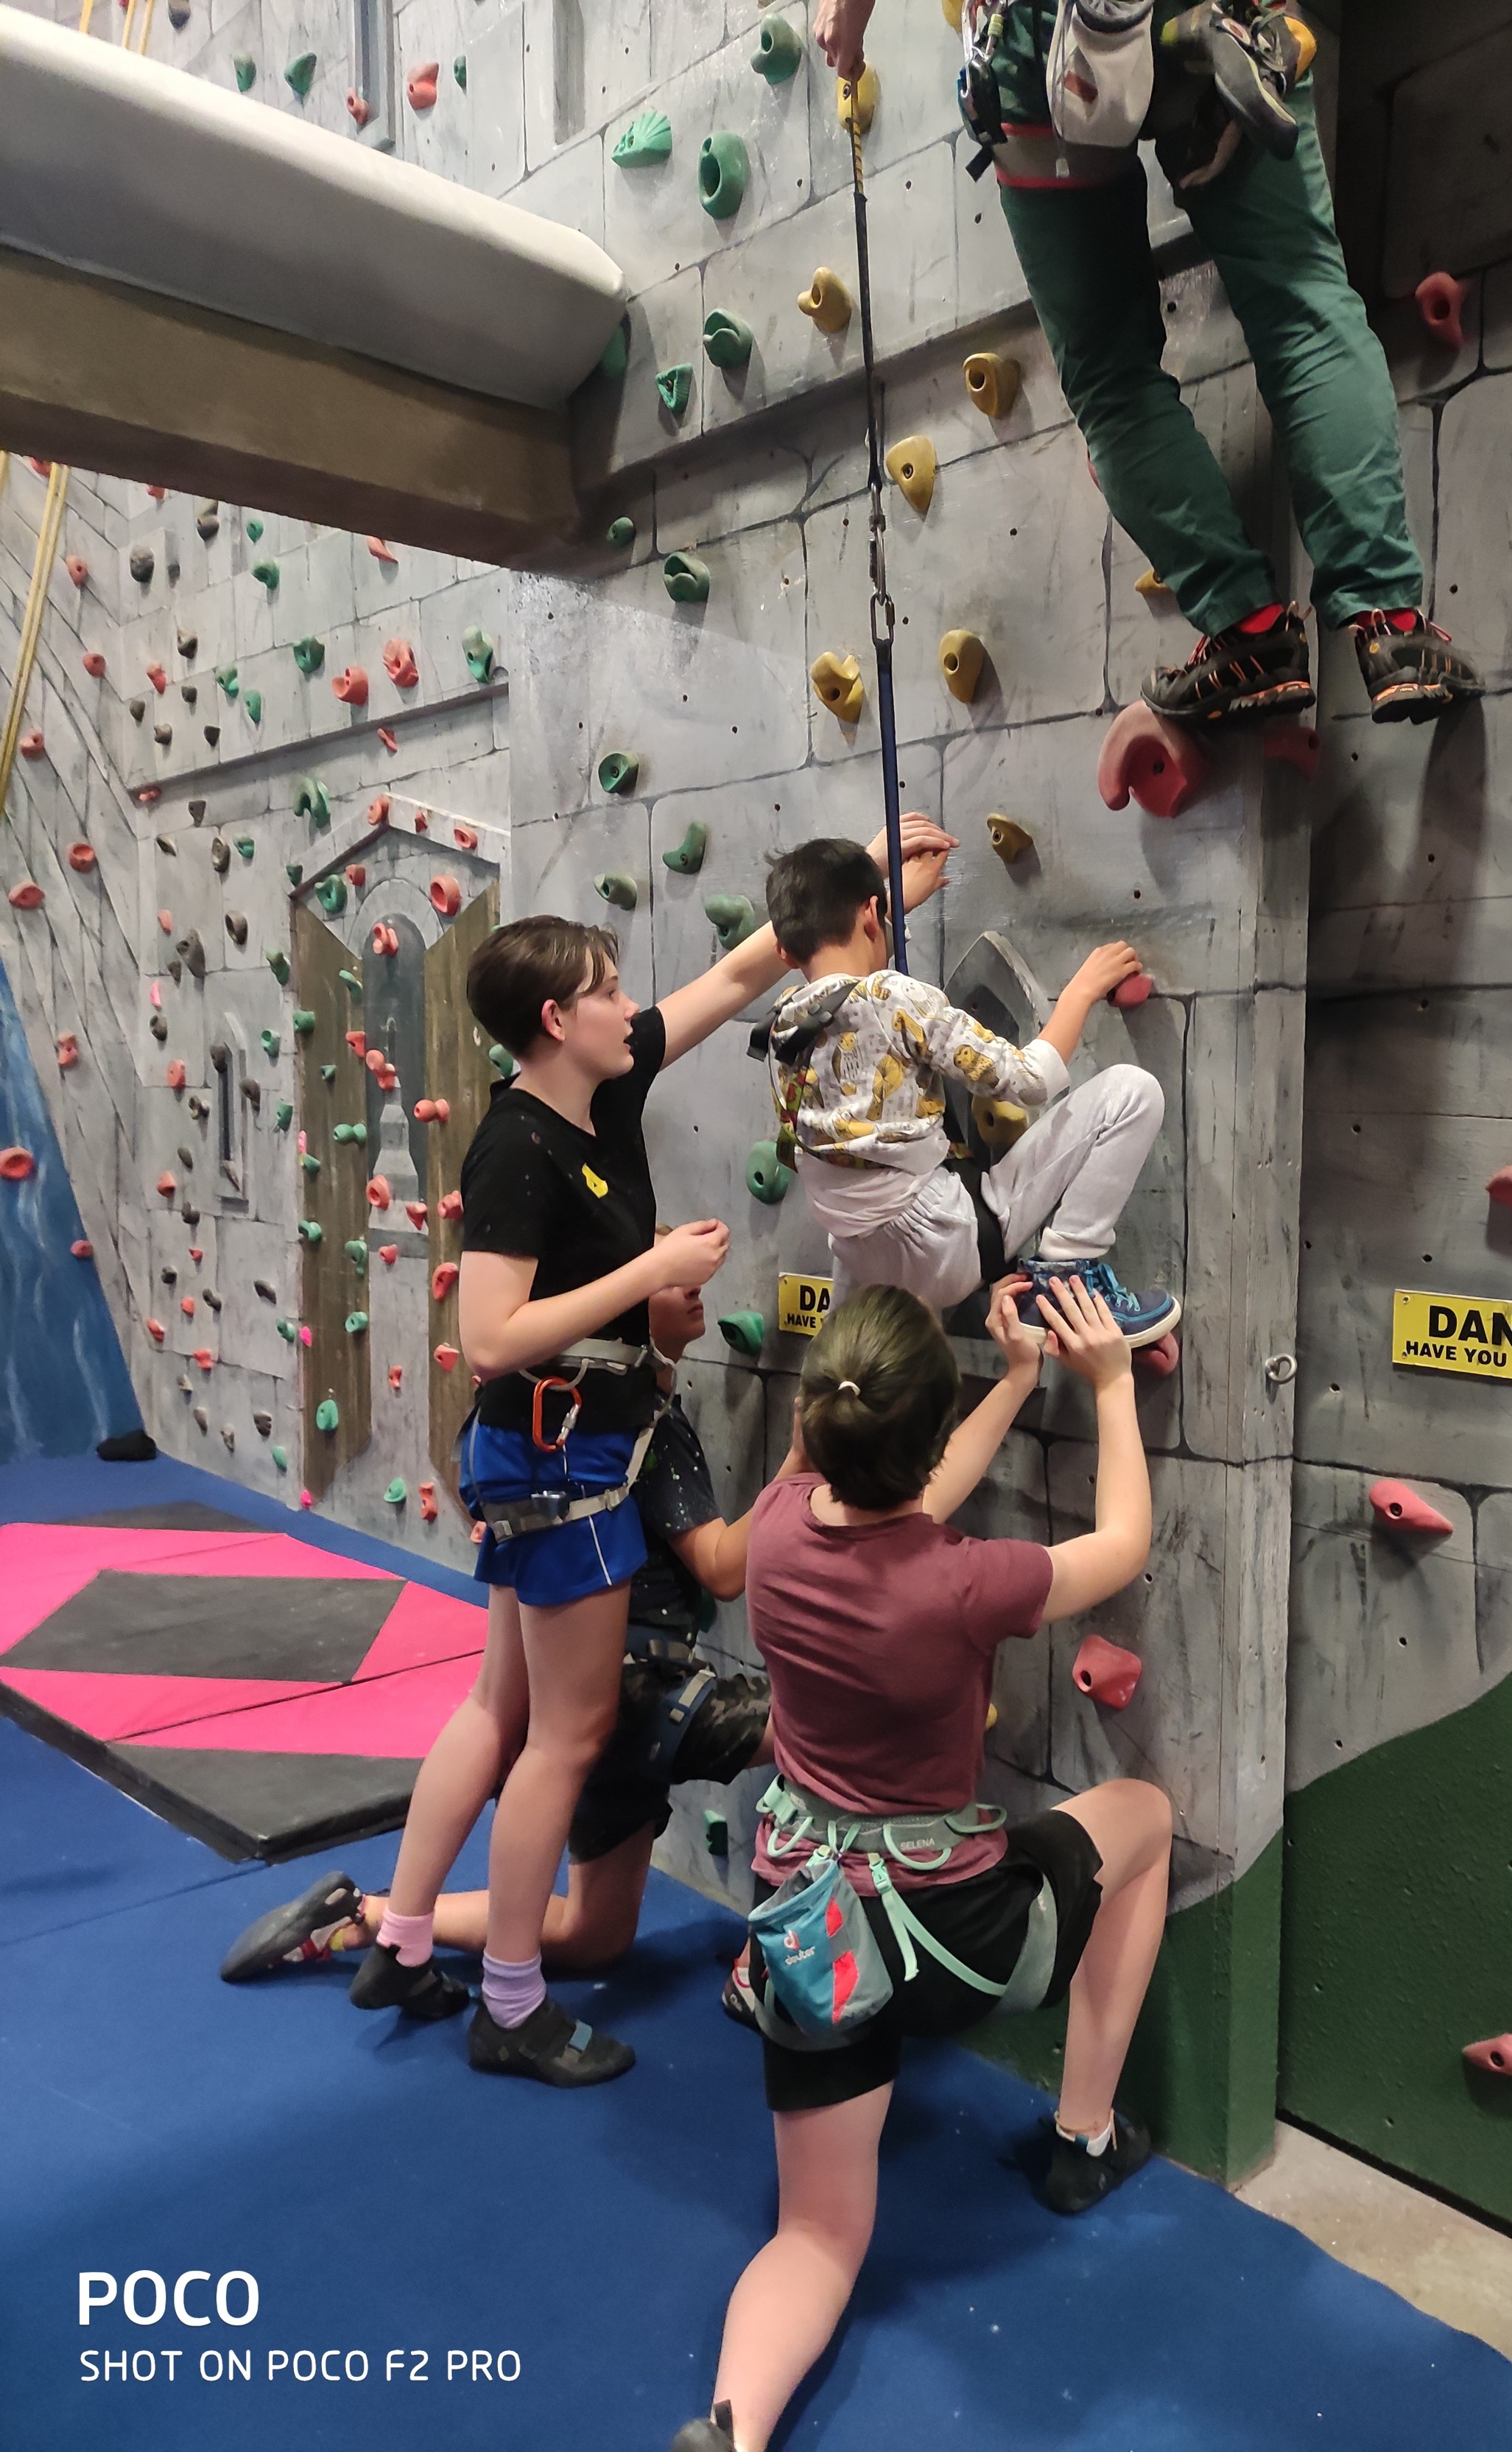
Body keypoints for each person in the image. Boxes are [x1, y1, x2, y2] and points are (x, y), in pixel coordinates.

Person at [342, 815, 954, 2087]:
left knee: (498, 1705)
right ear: (561, 1016)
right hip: (556, 1456)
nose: (637, 1004)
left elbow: (741, 974)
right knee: (560, 1735)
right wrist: (650, 1271)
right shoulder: (517, 1143)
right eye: (614, 989)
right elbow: (490, 1334)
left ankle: (405, 1934)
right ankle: (509, 1998)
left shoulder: (604, 1090)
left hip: (556, 1454)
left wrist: (869, 894)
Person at [672, 1273, 1174, 2452]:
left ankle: (731, 2433)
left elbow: (899, 1492)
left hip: (811, 1945)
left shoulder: (783, 1528)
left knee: (815, 2238)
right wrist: (1106, 1387)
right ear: (915, 1433)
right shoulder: (965, 1584)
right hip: (961, 1939)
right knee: (1141, 1818)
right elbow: (1123, 1543)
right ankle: (1082, 2140)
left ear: (816, 1425)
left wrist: (1008, 1381)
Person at [812, 0, 1483, 729]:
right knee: (1300, 302)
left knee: (1111, 378)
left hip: (1042, 51)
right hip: (1204, 14)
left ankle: (1249, 632)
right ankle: (1391, 627)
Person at [217, 1282, 783, 1993]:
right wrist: (806, 1462)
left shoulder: (548, 1421)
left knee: (595, 1933)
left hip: (585, 1681)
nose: (698, 1294)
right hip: (642, 1689)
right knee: (816, 1728)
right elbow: (724, 1568)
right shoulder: (636, 1421)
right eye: (673, 1284)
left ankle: (369, 1916)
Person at [762, 836, 1178, 1343]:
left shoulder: (781, 1025)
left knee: (839, 1382)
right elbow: (1031, 1079)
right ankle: (1065, 1276)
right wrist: (1082, 990)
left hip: (864, 1272)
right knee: (1132, 1092)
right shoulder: (894, 995)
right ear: (874, 913)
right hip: (943, 1246)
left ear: (784, 951)